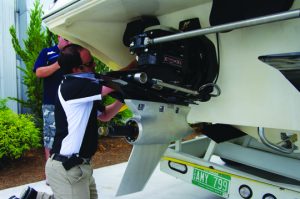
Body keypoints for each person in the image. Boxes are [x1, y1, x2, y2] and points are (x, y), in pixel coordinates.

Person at [10, 44, 124, 199]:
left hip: (82, 167)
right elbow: (112, 83)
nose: (95, 65)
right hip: (68, 168)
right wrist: (136, 66)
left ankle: (32, 197)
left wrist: (124, 100)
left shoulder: (85, 92)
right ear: (76, 69)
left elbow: (104, 115)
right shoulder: (71, 87)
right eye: (90, 63)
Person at [33, 36, 71, 161]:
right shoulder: (47, 52)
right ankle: (50, 173)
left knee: (70, 135)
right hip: (51, 103)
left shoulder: (74, 53)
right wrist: (58, 64)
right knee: (50, 138)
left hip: (71, 103)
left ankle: (67, 170)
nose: (68, 42)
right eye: (66, 39)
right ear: (58, 36)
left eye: (71, 40)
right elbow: (39, 72)